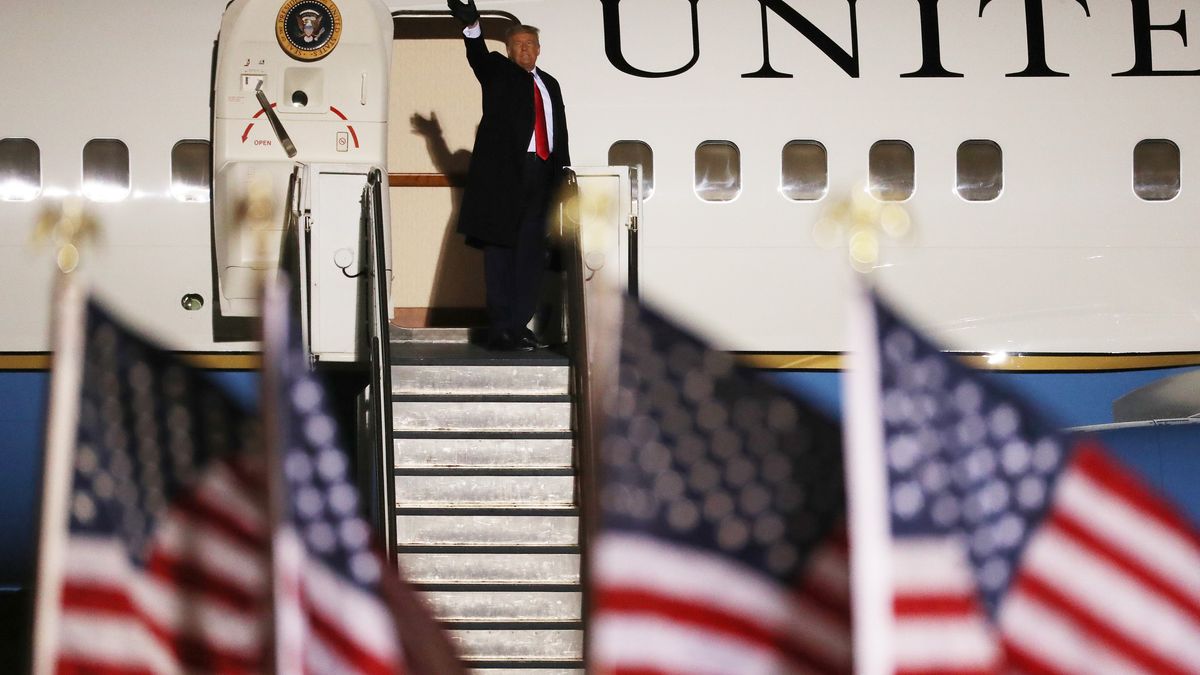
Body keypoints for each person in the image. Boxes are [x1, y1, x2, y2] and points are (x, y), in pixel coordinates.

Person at [447, 0, 570, 351]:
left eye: (530, 45)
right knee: (501, 252)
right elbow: (478, 57)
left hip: (543, 176)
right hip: (506, 180)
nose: (525, 50)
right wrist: (472, 26)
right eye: (518, 45)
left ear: (539, 50)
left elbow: (559, 132)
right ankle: (501, 328)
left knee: (532, 255)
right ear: (509, 49)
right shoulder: (498, 72)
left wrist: (562, 176)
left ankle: (518, 325)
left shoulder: (551, 84)